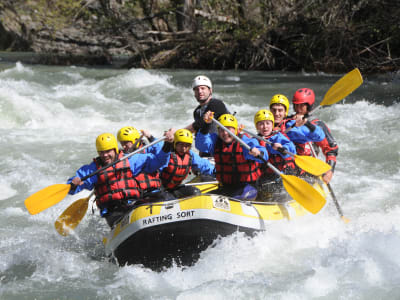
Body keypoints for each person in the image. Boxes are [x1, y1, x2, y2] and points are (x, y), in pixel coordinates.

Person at [67, 130, 174, 227]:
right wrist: (73, 185)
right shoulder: (92, 169)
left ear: (115, 149)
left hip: (135, 204)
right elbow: (72, 187)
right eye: (101, 152)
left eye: (108, 151)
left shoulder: (131, 159)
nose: (104, 155)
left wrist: (168, 144)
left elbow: (159, 161)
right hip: (113, 212)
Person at [195, 113, 268, 200]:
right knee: (202, 199)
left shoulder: (244, 141)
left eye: (229, 129)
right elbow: (201, 144)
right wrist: (206, 125)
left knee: (233, 199)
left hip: (247, 188)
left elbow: (264, 156)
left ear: (236, 130)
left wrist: (258, 152)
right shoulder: (215, 142)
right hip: (226, 187)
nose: (225, 133)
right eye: (221, 130)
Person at [292, 88, 338, 184]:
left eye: (302, 105)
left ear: (309, 106)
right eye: (296, 105)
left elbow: (331, 149)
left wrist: (330, 171)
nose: (298, 108)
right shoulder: (289, 122)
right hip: (290, 167)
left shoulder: (317, 125)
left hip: (308, 170)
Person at [253, 109, 297, 201]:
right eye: (261, 124)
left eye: (268, 123)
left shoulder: (278, 136)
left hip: (281, 174)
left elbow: (291, 148)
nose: (265, 127)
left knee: (272, 187)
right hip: (265, 176)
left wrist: (282, 148)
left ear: (272, 125)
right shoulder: (254, 140)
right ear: (257, 126)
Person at [160, 129, 215, 198]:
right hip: (160, 189)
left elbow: (204, 165)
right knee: (167, 198)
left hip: (174, 188)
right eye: (181, 145)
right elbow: (159, 161)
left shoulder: (190, 155)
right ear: (175, 143)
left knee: (195, 192)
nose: (183, 148)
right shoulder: (167, 154)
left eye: (187, 145)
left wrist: (218, 172)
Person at [186, 75, 229, 157]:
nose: (200, 91)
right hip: (208, 150)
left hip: (223, 148)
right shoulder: (197, 111)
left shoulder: (216, 104)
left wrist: (178, 133)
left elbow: (200, 123)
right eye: (196, 89)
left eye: (203, 88)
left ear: (210, 90)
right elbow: (200, 133)